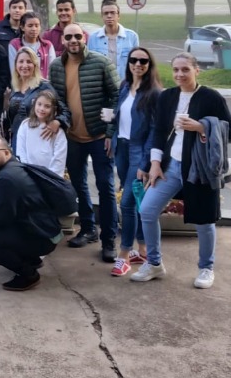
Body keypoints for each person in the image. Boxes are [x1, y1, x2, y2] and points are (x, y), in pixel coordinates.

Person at [131, 53, 231, 289]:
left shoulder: (211, 97)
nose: (179, 74)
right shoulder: (167, 96)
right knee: (146, 210)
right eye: (175, 69)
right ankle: (154, 263)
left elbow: (229, 129)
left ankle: (206, 267)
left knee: (204, 220)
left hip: (199, 168)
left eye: (185, 69)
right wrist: (154, 163)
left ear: (197, 70)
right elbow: (158, 131)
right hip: (170, 166)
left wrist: (200, 126)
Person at [49, 23, 119, 261]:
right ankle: (89, 229)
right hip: (72, 137)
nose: (73, 40)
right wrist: (60, 122)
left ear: (84, 37)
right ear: (63, 40)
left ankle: (109, 239)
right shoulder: (57, 66)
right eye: (68, 36)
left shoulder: (101, 62)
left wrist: (110, 131)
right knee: (78, 185)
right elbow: (57, 100)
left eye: (77, 36)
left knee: (106, 187)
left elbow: (117, 95)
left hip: (100, 137)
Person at [0, 136, 62, 291]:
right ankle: (32, 259)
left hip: (43, 237)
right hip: (45, 231)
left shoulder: (7, 178)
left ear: (6, 153)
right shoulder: (13, 169)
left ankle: (29, 275)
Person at [109, 47, 161, 276]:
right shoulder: (124, 87)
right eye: (133, 60)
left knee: (127, 203)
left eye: (143, 61)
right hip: (121, 146)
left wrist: (146, 163)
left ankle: (123, 255)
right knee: (135, 198)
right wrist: (111, 137)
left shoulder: (155, 93)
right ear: (128, 62)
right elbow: (118, 116)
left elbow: (155, 130)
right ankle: (143, 249)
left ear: (149, 65)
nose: (138, 64)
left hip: (139, 151)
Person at [5, 47, 55, 147]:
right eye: (21, 62)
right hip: (17, 137)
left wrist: (56, 122)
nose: (24, 65)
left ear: (35, 65)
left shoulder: (44, 86)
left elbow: (61, 109)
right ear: (16, 65)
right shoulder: (14, 87)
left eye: (29, 62)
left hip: (38, 137)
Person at [15, 90, 68, 177]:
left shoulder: (58, 131)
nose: (42, 109)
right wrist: (27, 172)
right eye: (39, 104)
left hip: (50, 178)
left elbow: (59, 159)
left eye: (47, 106)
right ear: (34, 104)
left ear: (53, 109)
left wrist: (51, 177)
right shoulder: (25, 125)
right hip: (28, 175)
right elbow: (21, 152)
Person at [87, 0, 139, 80]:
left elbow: (137, 63)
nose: (109, 16)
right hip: (102, 84)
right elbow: (90, 64)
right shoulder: (93, 38)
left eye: (112, 13)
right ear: (102, 16)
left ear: (118, 15)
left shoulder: (132, 36)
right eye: (106, 13)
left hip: (125, 84)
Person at [8, 11, 55, 78]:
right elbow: (14, 71)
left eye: (37, 26)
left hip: (44, 85)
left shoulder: (47, 45)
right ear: (22, 27)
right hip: (22, 85)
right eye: (30, 26)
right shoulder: (14, 44)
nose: (34, 29)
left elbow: (51, 70)